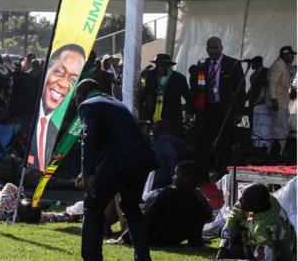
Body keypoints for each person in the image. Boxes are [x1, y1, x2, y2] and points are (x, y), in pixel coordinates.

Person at [74, 79, 158, 261]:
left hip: (117, 163)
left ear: (80, 96)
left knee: (93, 206)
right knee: (131, 208)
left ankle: (91, 257)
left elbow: (89, 138)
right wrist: (87, 170)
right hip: (141, 161)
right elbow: (111, 140)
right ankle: (143, 257)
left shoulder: (87, 105)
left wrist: (87, 172)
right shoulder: (116, 104)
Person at [110, 161, 212, 247]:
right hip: (173, 241)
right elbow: (204, 217)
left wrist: (124, 238)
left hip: (156, 238)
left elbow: (148, 218)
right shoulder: (199, 200)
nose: (173, 177)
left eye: (176, 174)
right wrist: (197, 240)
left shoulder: (168, 193)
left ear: (186, 178)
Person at [192, 36, 245, 182]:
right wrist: (194, 109)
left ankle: (222, 175)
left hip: (224, 110)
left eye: (216, 47)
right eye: (210, 48)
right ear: (207, 49)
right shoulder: (202, 64)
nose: (213, 51)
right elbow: (196, 88)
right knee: (201, 142)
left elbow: (240, 89)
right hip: (206, 108)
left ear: (221, 47)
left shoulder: (233, 64)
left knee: (224, 144)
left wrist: (239, 112)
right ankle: (201, 176)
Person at [28, 44, 86, 172]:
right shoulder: (30, 115)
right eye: (59, 72)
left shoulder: (61, 120)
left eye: (72, 79)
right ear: (47, 68)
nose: (64, 83)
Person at [216, 183, 296, 260]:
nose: (240, 200)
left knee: (233, 249)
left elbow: (266, 258)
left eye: (244, 200)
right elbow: (234, 216)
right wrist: (223, 247)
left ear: (254, 207)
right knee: (227, 232)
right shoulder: (268, 198)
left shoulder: (265, 229)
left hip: (275, 253)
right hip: (256, 241)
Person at [139, 54, 192, 130]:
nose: (159, 67)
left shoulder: (179, 78)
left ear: (169, 65)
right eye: (157, 65)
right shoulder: (151, 75)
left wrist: (188, 112)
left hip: (173, 117)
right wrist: (139, 106)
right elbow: (145, 92)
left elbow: (188, 96)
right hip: (155, 116)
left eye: (163, 65)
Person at [266, 46, 296, 155]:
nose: (293, 57)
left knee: (281, 128)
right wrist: (274, 99)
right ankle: (277, 153)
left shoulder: (283, 65)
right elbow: (272, 83)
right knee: (281, 128)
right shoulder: (278, 65)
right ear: (285, 54)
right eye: (291, 54)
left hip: (282, 101)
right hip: (278, 102)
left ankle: (276, 152)